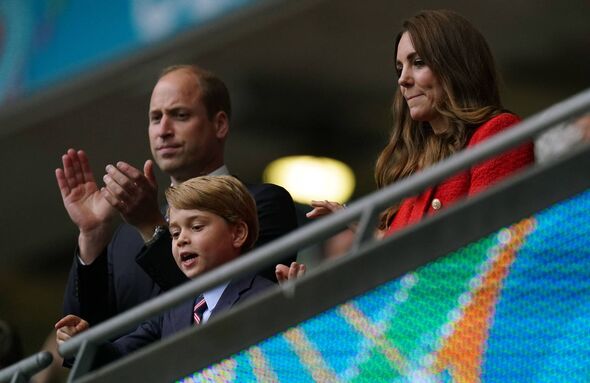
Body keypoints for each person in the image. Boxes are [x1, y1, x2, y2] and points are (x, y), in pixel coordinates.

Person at [56, 65, 298, 327]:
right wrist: (92, 234)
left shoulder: (262, 203)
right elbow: (81, 344)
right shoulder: (125, 239)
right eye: (155, 118)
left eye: (180, 115)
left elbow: (228, 308)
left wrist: (151, 226)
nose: (163, 130)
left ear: (219, 124)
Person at [307, 10, 534, 238]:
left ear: (455, 67)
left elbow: (484, 244)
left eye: (417, 62)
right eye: (399, 68)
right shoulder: (420, 166)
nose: (402, 79)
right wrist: (358, 226)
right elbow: (401, 253)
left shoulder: (498, 131)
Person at [55, 176, 275, 366]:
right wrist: (83, 343)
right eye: (175, 233)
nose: (181, 240)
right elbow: (119, 358)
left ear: (237, 233)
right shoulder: (175, 308)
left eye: (196, 227)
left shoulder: (267, 297)